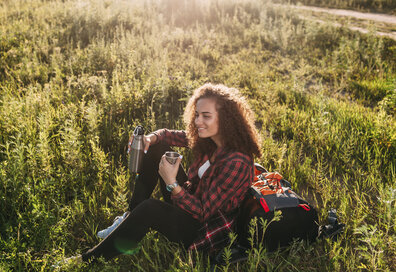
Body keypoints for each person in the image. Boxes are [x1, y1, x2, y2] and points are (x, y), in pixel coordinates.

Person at [66, 83, 262, 265]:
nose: (198, 121)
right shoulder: (212, 138)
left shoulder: (236, 162)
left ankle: (86, 260)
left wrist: (172, 183)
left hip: (202, 229)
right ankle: (129, 219)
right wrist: (150, 138)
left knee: (151, 208)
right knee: (156, 146)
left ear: (226, 119)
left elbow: (202, 213)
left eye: (206, 116)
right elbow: (171, 135)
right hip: (190, 200)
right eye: (197, 115)